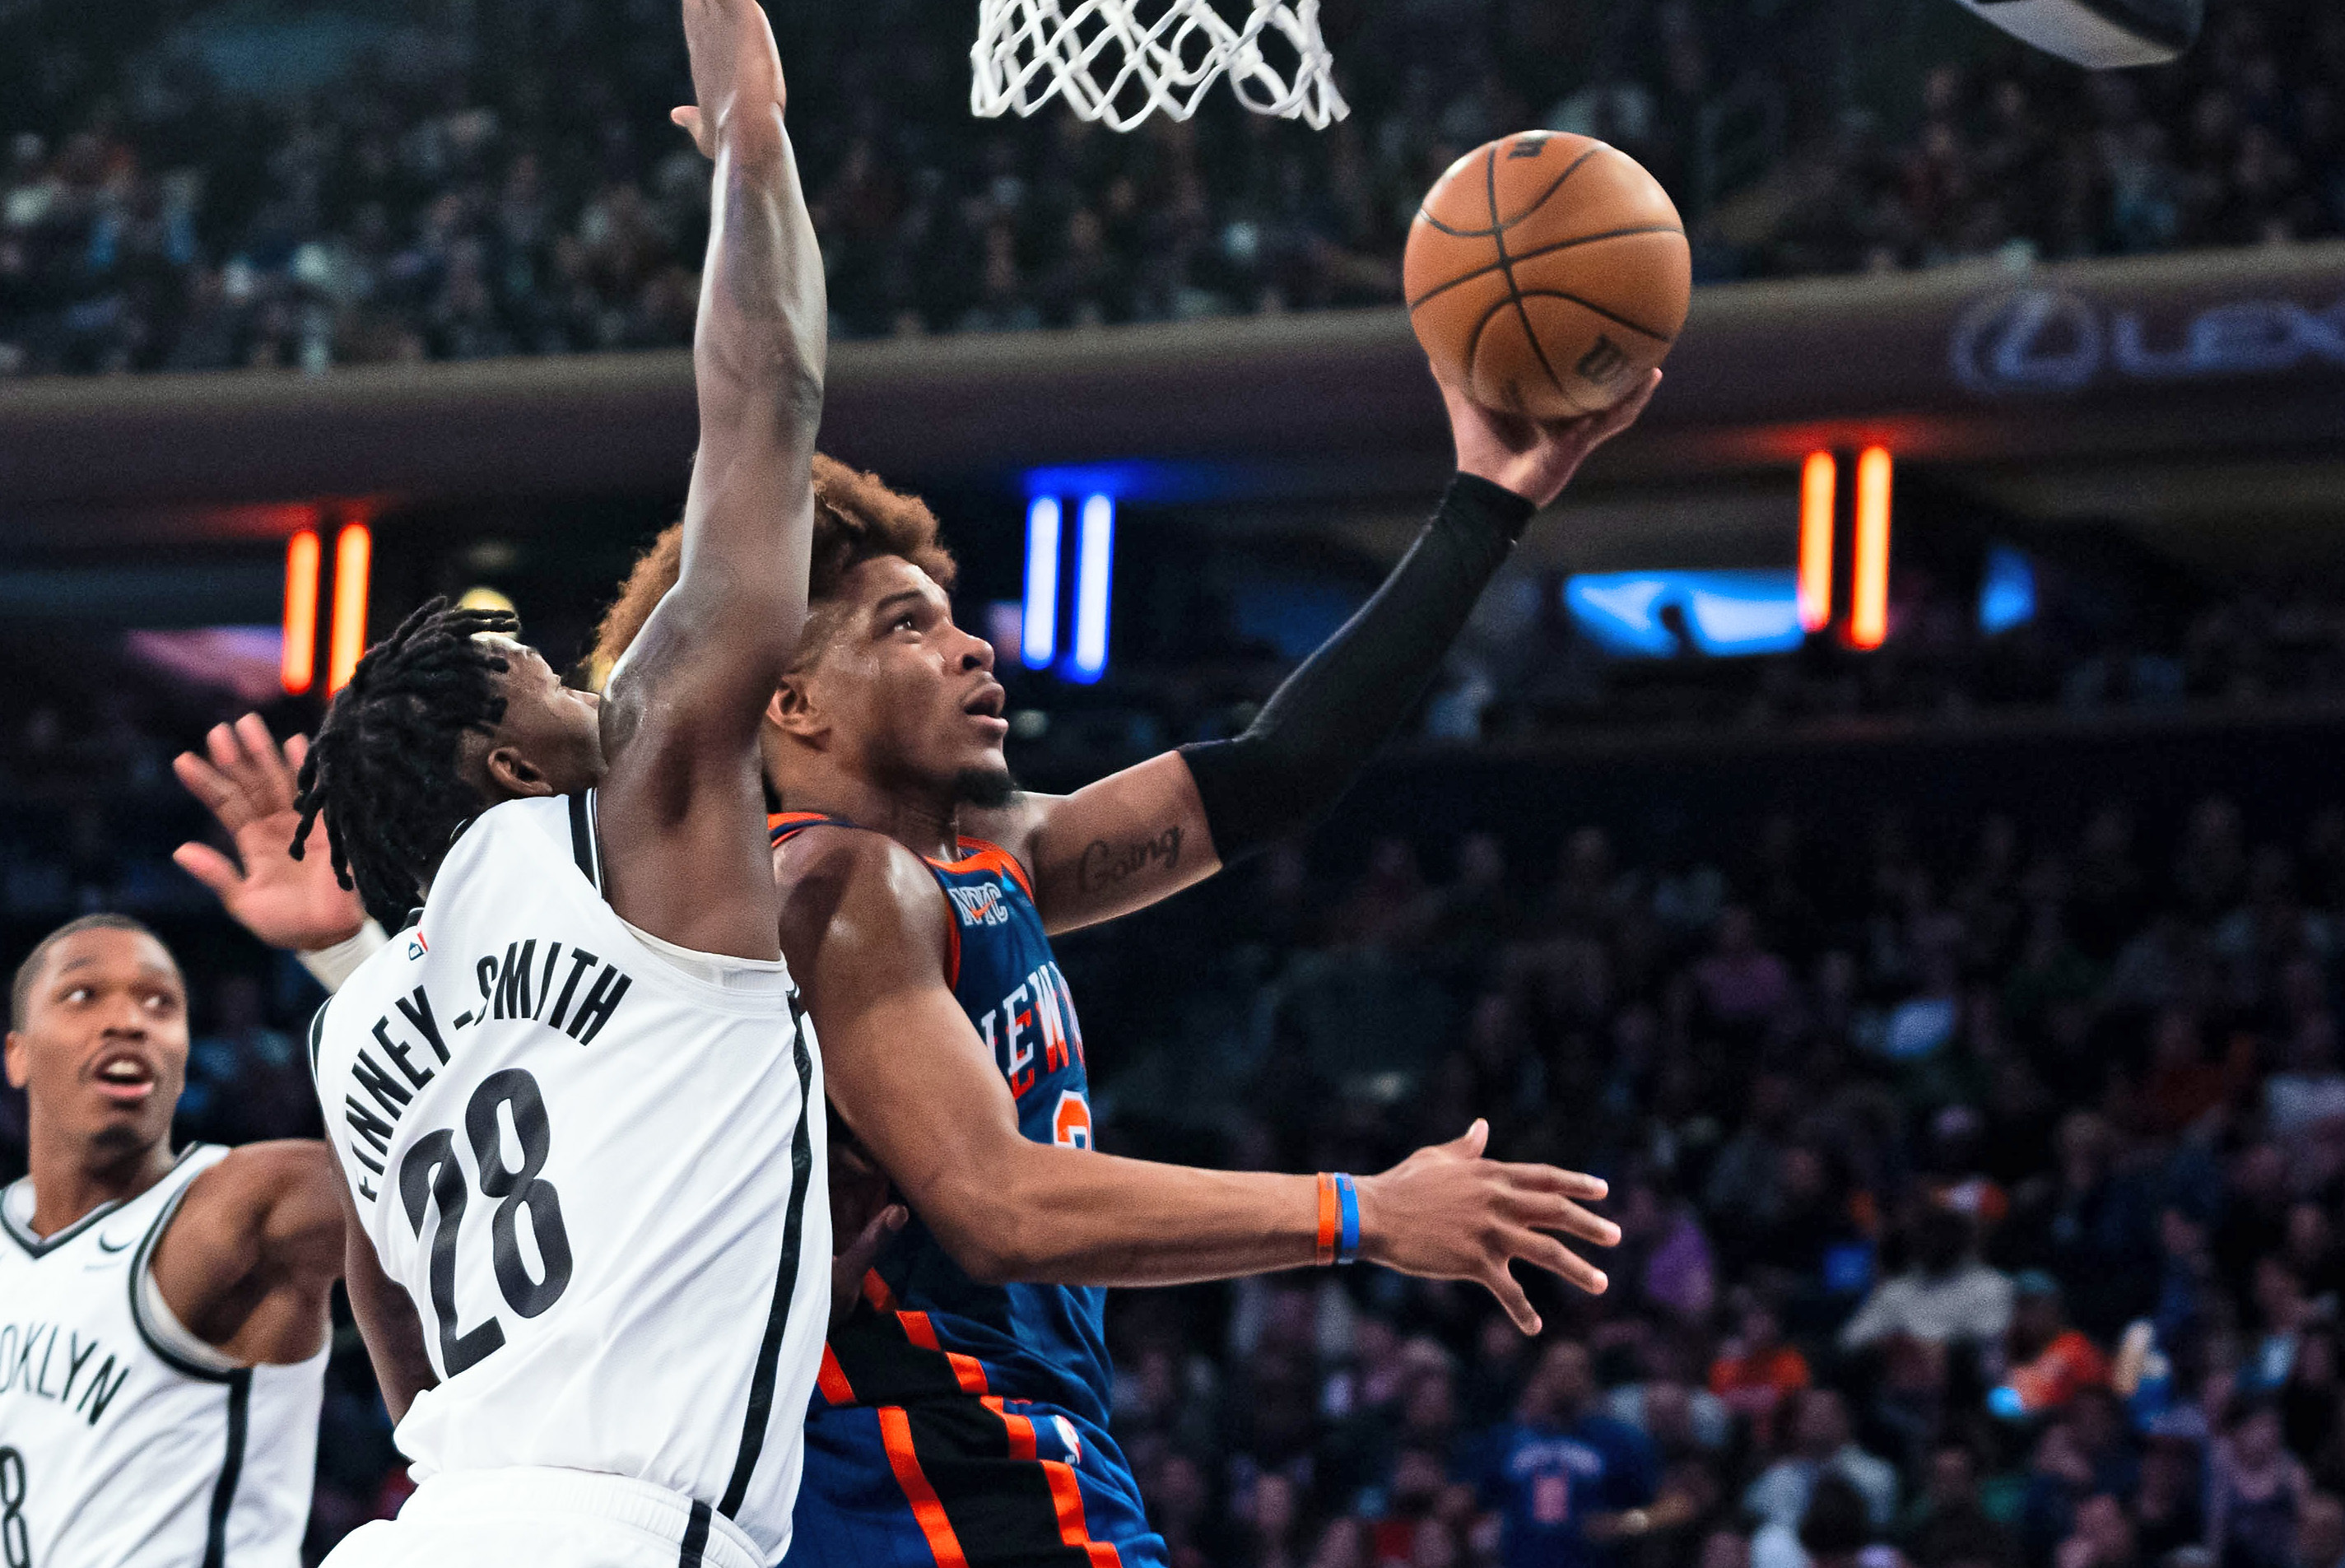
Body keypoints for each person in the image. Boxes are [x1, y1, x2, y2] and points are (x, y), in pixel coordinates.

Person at [182, 364, 1657, 1562]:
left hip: (983, 1454)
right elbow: (1000, 1206)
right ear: (791, 703)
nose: (971, 649)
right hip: (910, 1479)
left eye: (954, 618)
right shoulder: (806, 898)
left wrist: (1487, 498)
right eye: (907, 626)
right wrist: (1365, 1210)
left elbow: (1275, 769)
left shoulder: (978, 860)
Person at [289, 2, 831, 1563]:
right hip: (612, 1532)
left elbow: (391, 1327)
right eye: (538, 673)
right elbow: (766, 409)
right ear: (514, 763)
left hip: (428, 1522)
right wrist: (751, 144)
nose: (588, 682)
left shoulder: (351, 1029)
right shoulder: (635, 828)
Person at [0, 914, 339, 1566]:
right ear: (17, 1053)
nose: (128, 1021)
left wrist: (347, 952)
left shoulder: (237, 1203)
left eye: (160, 1003)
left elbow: (453, 1156)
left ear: (183, 1056)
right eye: (82, 995)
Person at [1476, 1342, 1663, 1568]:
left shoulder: (1619, 1440)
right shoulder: (1507, 1440)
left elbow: (1669, 1505)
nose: (1566, 1378)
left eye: (1576, 1370)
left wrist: (1625, 1523)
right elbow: (1479, 1500)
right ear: (1540, 1377)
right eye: (1557, 1369)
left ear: (1590, 1379)